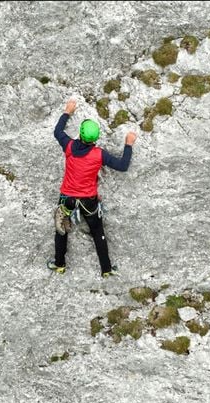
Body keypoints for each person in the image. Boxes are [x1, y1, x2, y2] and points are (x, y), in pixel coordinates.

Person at [47, 97, 136, 277]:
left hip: (67, 198)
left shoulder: (70, 146)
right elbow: (122, 166)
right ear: (96, 139)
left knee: (61, 229)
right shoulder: (99, 155)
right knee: (97, 231)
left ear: (80, 133)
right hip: (89, 200)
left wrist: (67, 111)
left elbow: (57, 131)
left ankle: (59, 264)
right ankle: (106, 269)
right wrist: (128, 144)